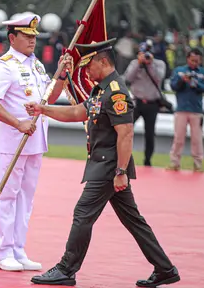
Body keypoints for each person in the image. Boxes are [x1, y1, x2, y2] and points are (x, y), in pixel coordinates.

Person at [24, 39, 180, 287]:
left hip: (109, 167)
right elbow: (78, 112)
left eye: (88, 65)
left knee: (82, 213)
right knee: (133, 220)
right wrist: (43, 109)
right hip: (105, 164)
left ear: (103, 62)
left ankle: (66, 269)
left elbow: (126, 133)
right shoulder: (102, 89)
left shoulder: (116, 92)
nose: (85, 71)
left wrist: (120, 171)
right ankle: (165, 268)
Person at [0, 13, 73, 271]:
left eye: (35, 36)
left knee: (26, 199)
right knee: (8, 196)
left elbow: (49, 99)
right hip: (14, 141)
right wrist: (17, 122)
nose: (33, 40)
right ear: (12, 37)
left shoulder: (37, 66)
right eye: (27, 36)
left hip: (35, 142)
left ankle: (18, 249)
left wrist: (62, 74)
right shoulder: (4, 66)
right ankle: (2, 252)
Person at [166, 48, 204, 172]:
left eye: (197, 61)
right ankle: (174, 162)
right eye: (192, 60)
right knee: (178, 138)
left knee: (197, 139)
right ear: (187, 59)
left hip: (196, 110)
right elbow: (173, 86)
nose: (194, 63)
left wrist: (195, 83)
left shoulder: (203, 72)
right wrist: (183, 80)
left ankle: (198, 164)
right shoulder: (179, 71)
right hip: (181, 109)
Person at [124, 40, 167, 166]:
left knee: (150, 134)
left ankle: (147, 160)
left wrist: (150, 65)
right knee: (126, 131)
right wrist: (139, 64)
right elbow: (128, 78)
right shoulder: (134, 63)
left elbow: (159, 78)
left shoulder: (159, 64)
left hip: (152, 103)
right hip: (136, 102)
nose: (145, 56)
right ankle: (123, 158)